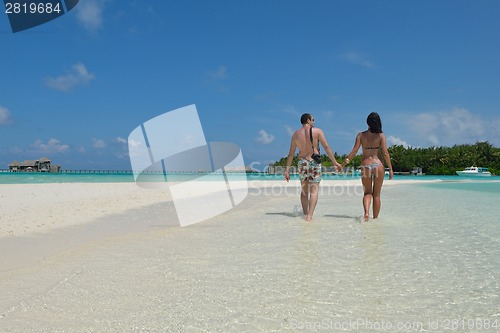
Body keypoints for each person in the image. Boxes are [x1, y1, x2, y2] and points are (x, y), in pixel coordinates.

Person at [284, 113, 342, 221]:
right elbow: (327, 147)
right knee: (314, 191)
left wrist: (287, 170)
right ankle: (309, 216)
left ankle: (304, 213)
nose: (314, 121)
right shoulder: (318, 131)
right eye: (313, 119)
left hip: (302, 163)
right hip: (314, 162)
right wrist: (335, 163)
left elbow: (291, 154)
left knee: (304, 191)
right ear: (308, 120)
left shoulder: (296, 134)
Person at [341, 112, 394, 221]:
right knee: (377, 195)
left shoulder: (361, 135)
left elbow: (354, 151)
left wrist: (343, 164)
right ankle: (375, 219)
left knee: (367, 193)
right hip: (378, 165)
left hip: (366, 165)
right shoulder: (381, 136)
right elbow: (385, 153)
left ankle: (366, 213)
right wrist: (391, 169)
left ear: (367, 122)